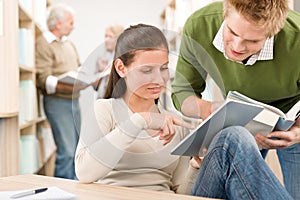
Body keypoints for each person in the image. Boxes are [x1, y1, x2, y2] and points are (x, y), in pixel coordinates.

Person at [74, 24, 293, 199]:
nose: (158, 79)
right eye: (146, 70)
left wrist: (196, 165)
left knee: (234, 136)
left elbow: (182, 192)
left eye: (163, 68)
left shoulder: (174, 122)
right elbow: (84, 173)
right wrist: (140, 120)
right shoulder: (104, 110)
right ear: (121, 68)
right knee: (234, 138)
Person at [171, 0, 300, 199]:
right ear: (225, 14)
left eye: (253, 41)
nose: (237, 46)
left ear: (273, 32)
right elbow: (181, 91)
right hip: (239, 116)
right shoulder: (199, 26)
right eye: (232, 32)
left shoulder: (297, 38)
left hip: (291, 119)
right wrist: (208, 109)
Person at [36, 4, 82, 179]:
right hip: (57, 103)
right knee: (67, 152)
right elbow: (43, 78)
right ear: (59, 23)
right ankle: (61, 193)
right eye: (70, 23)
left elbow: (78, 67)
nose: (73, 26)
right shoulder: (43, 43)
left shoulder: (69, 44)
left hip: (74, 101)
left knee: (77, 151)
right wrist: (69, 85)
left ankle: (75, 190)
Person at [94, 24, 124, 98]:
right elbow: (95, 87)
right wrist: (100, 73)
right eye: (105, 36)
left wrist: (112, 73)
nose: (106, 39)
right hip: (101, 101)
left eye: (110, 37)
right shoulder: (102, 58)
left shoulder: (124, 59)